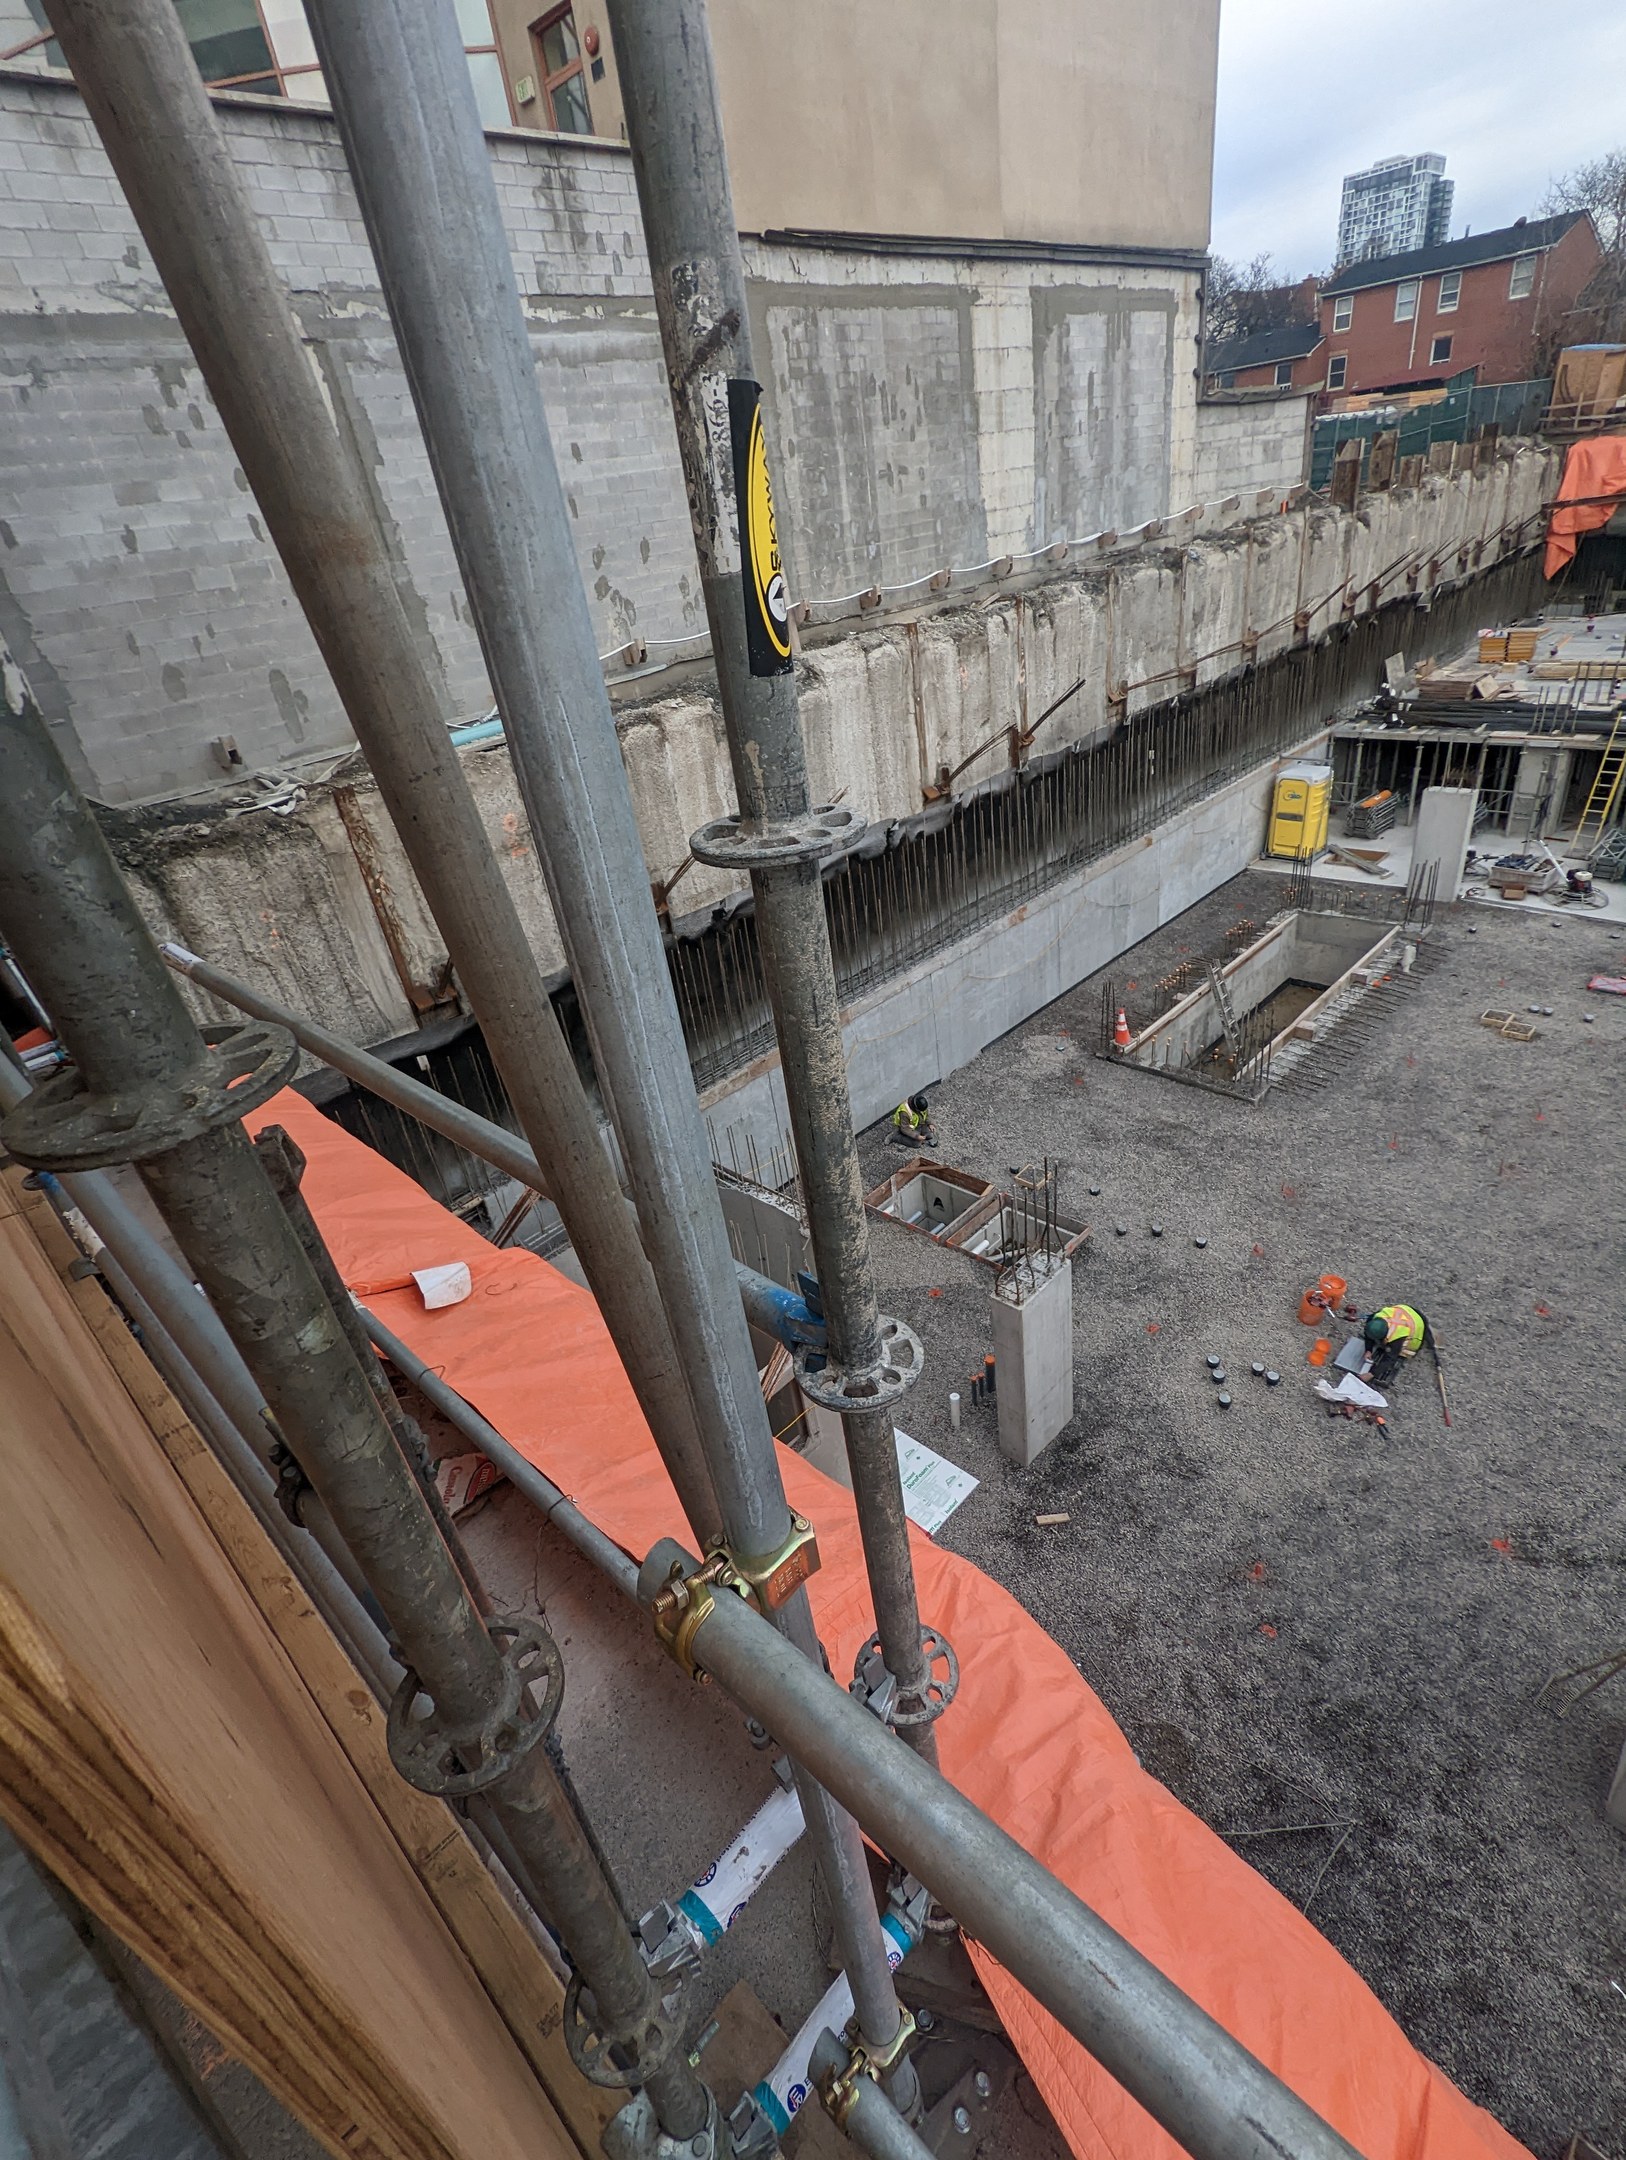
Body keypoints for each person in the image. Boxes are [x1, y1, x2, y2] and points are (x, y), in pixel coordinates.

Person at [1363, 1301, 1429, 1385]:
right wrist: (1368, 1350)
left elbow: (1390, 1358)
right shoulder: (1376, 1317)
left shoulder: (1397, 1336)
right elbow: (1368, 1334)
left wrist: (1371, 1374)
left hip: (1419, 1323)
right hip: (1407, 1311)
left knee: (1396, 1352)